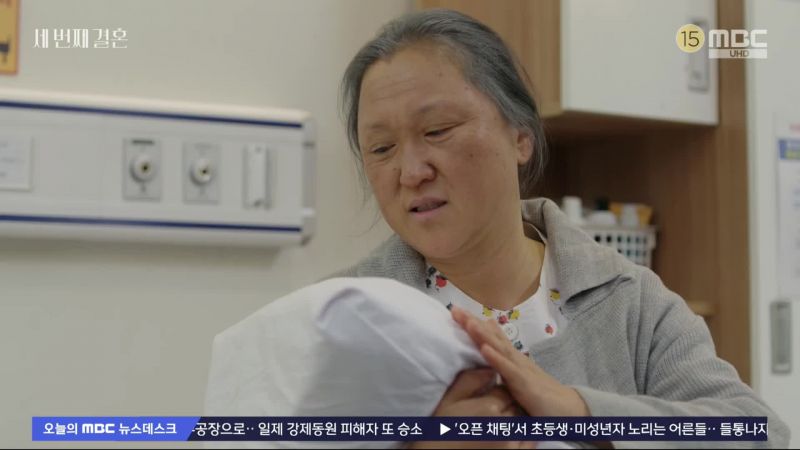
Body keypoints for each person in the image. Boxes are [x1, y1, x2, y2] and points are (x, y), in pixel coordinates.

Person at [335, 8, 790, 449]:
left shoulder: (630, 302)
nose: (411, 172)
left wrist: (579, 410)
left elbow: (757, 434)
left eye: (438, 130)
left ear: (520, 137)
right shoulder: (342, 316)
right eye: (382, 148)